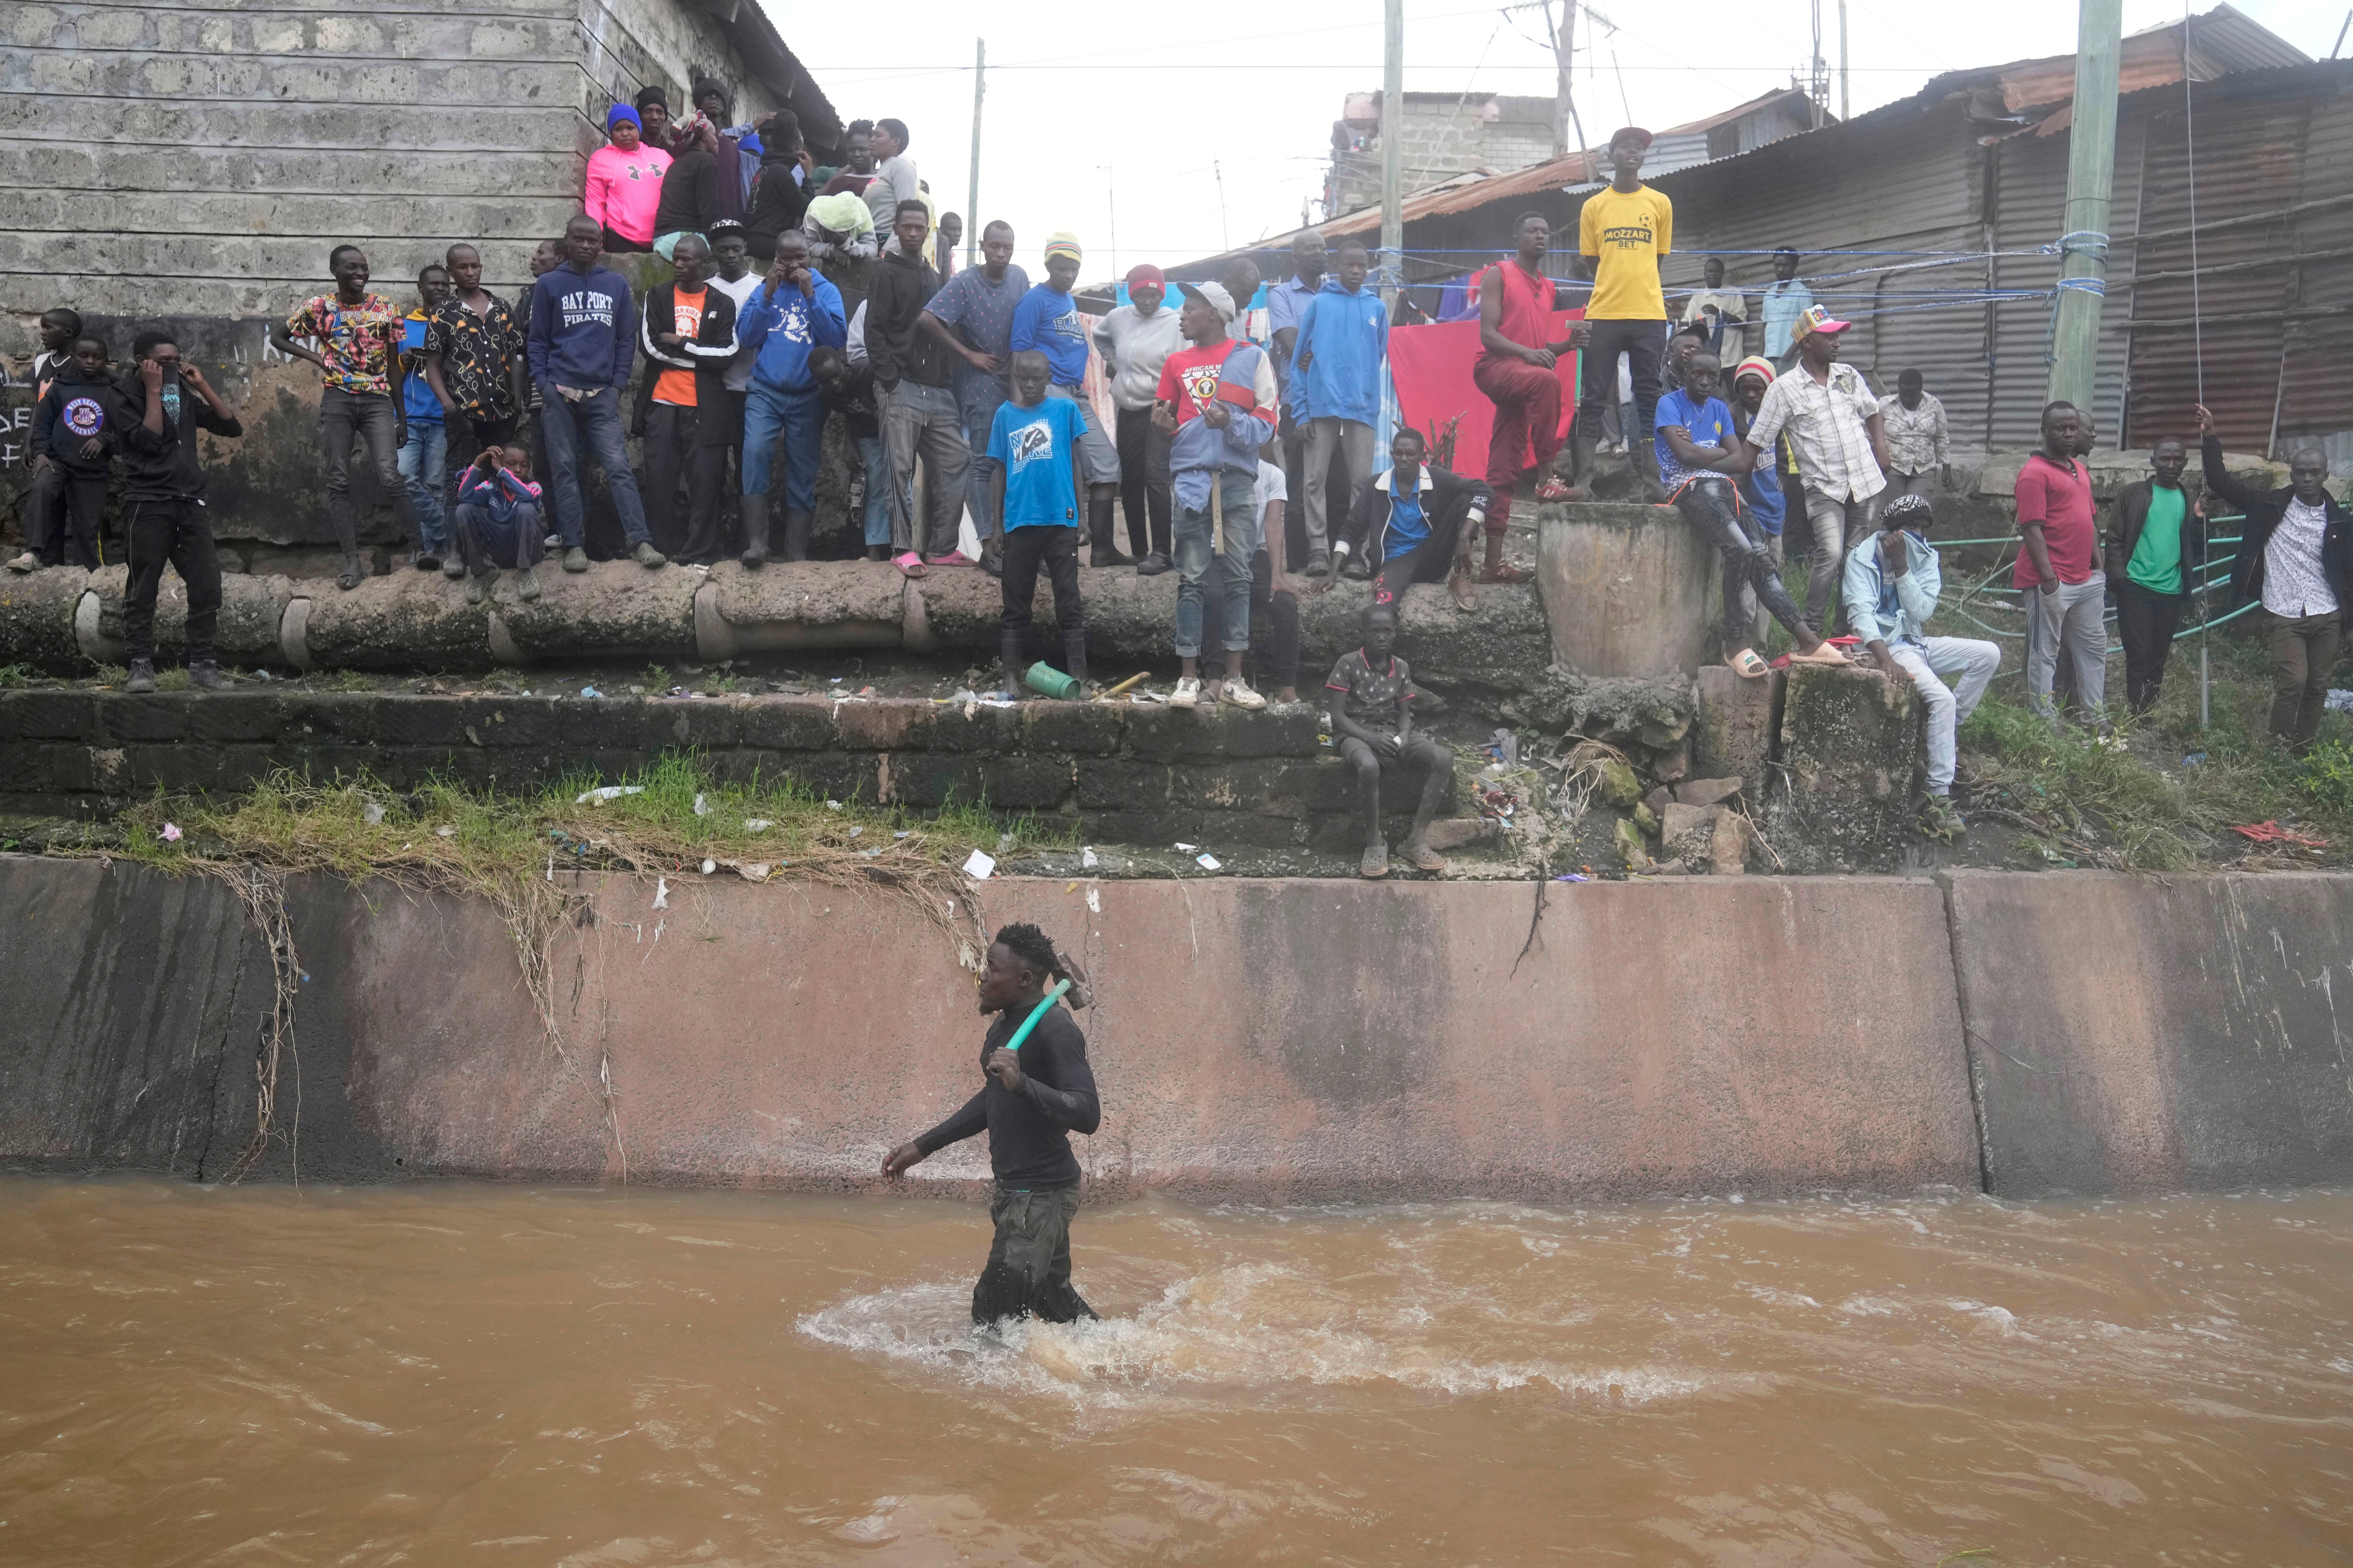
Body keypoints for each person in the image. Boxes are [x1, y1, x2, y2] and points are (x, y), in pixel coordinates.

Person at [881, 922, 1101, 1328]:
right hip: (1017, 1194)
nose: (982, 974)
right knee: (1055, 1304)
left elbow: (1088, 1114)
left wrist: (1025, 1085)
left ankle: (989, 1391)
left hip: (1041, 1196)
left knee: (994, 1311)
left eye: (993, 968)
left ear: (1025, 979)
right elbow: (993, 1099)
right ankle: (1120, 1362)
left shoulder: (1056, 1029)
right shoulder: (1005, 1025)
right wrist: (924, 1146)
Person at [1655, 347, 1844, 673]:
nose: (1703, 381)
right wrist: (1713, 452)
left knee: (1762, 560)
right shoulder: (1669, 404)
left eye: (1711, 377)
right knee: (1740, 552)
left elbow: (1743, 461)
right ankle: (1735, 644)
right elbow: (1685, 460)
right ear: (1684, 374)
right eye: (1696, 374)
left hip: (1728, 490)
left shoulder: (1718, 409)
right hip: (1690, 489)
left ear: (1718, 379)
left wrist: (1698, 449)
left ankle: (1808, 641)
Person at [1720, 306, 1890, 635]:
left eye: (1837, 335)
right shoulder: (1784, 389)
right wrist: (1720, 473)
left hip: (1865, 481)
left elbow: (1873, 411)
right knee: (1831, 552)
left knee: (1854, 560)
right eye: (1829, 336)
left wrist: (1881, 447)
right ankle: (1811, 629)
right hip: (1824, 488)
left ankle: (1843, 631)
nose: (1837, 341)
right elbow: (1754, 445)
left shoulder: (1848, 376)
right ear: (1807, 342)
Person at [1844, 493, 2001, 842]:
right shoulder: (1862, 557)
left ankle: (1943, 730)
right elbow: (1861, 615)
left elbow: (1922, 612)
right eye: (1909, 527)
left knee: (1988, 653)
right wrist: (1886, 661)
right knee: (1942, 699)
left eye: (1922, 528)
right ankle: (1938, 797)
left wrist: (1902, 567)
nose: (1917, 534)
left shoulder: (1925, 557)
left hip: (1915, 641)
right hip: (1887, 646)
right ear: (1891, 530)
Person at [1152, 281, 1279, 711]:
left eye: (1189, 308)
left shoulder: (1252, 358)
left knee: (1239, 578)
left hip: (1238, 480)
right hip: (1190, 481)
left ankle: (1233, 679)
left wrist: (1229, 424)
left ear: (1215, 315)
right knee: (1191, 578)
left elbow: (1268, 424)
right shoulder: (1175, 363)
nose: (1182, 315)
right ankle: (1187, 680)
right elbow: (1170, 422)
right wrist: (1165, 429)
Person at [2198, 404, 2350, 752]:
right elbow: (2221, 482)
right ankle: (2278, 749)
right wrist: (2210, 436)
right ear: (2291, 474)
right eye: (2300, 472)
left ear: (2326, 475)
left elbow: (2349, 575)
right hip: (2284, 612)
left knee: (2318, 685)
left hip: (2327, 614)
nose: (2307, 479)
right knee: (2294, 681)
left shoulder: (2340, 522)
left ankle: (2303, 749)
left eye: (2314, 473)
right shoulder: (2268, 505)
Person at [270, 245, 422, 591]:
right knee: (338, 478)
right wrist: (315, 358)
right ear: (334, 271)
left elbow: (396, 369)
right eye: (351, 268)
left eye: (364, 268)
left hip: (377, 400)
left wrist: (403, 418)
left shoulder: (387, 309)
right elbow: (278, 337)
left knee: (390, 473)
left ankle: (419, 547)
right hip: (338, 399)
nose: (360, 273)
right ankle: (352, 559)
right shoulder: (319, 308)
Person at [106, 332, 243, 694]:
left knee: (208, 586)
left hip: (190, 502)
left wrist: (201, 385)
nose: (173, 366)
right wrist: (153, 389)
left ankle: (202, 665)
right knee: (143, 588)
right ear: (142, 361)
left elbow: (230, 426)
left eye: (177, 359)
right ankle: (139, 666)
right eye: (164, 361)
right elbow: (149, 441)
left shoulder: (179, 391)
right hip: (149, 502)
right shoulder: (121, 395)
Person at [528, 213, 665, 571]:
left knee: (619, 466)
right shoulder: (549, 285)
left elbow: (626, 340)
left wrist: (617, 385)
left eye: (593, 240)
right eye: (580, 240)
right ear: (567, 242)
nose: (587, 246)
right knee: (564, 469)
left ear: (601, 243)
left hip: (602, 394)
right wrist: (545, 384)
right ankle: (574, 545)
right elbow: (537, 341)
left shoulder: (616, 285)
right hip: (559, 392)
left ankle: (640, 541)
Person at [922, 219, 1031, 575]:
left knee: (1014, 465)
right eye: (995, 246)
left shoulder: (1018, 277)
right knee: (982, 465)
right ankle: (988, 546)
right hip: (979, 383)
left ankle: (1015, 543)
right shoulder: (966, 282)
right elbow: (927, 319)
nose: (1001, 253)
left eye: (1008, 247)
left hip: (1013, 383)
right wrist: (968, 355)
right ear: (982, 246)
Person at [735, 229, 847, 565]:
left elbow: (835, 339)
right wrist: (768, 294)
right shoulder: (763, 289)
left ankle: (796, 553)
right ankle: (758, 545)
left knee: (804, 468)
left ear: (810, 258)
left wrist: (810, 296)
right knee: (754, 452)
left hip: (807, 395)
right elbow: (746, 337)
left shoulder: (826, 290)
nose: (794, 265)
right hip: (765, 391)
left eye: (801, 258)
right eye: (787, 259)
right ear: (777, 259)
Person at [1572, 127, 1672, 501]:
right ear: (1611, 155)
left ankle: (1651, 482)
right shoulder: (1594, 206)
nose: (1633, 152)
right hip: (1604, 312)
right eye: (1625, 147)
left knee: (1649, 395)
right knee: (1594, 395)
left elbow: (1657, 259)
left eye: (1639, 148)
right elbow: (1594, 261)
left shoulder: (1660, 203)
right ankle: (1583, 482)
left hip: (1648, 312)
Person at [868, 199, 969, 567]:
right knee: (899, 468)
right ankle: (902, 549)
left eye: (919, 227)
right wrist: (890, 381)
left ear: (928, 231)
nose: (913, 232)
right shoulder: (885, 273)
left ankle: (943, 547)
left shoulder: (933, 274)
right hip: (902, 386)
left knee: (957, 459)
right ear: (895, 228)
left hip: (938, 391)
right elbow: (874, 332)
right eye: (906, 226)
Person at [1011, 234, 1124, 565]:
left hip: (1076, 393)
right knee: (1050, 469)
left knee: (1107, 466)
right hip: (1048, 392)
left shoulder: (1068, 301)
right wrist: (1021, 409)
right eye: (1062, 269)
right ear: (1048, 266)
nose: (1069, 275)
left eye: (1074, 269)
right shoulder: (1035, 300)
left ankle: (1102, 549)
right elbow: (1018, 352)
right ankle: (1046, 554)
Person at [985, 350, 1093, 695]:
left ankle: (1081, 675)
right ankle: (1011, 677)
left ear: (1049, 378)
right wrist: (997, 526)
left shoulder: (1065, 410)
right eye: (1023, 377)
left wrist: (1082, 516)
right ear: (1015, 376)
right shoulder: (1004, 415)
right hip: (1019, 521)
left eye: (1037, 378)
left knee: (1069, 600)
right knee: (1015, 603)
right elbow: (999, 472)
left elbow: (1076, 465)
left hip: (1060, 520)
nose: (1030, 384)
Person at [632, 232, 740, 566]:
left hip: (704, 409)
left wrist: (681, 343)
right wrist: (700, 361)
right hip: (662, 404)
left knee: (706, 483)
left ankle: (699, 554)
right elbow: (649, 347)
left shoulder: (722, 303)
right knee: (660, 480)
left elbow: (728, 354)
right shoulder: (659, 295)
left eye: (686, 259)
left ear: (704, 263)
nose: (678, 264)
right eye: (675, 258)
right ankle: (661, 551)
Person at [1473, 213, 1579, 549]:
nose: (1540, 237)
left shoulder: (1548, 287)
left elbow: (1534, 346)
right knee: (1547, 382)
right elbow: (1489, 336)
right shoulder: (1499, 273)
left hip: (1521, 378)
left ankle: (1492, 560)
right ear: (1517, 237)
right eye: (1532, 231)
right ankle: (1547, 479)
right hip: (1494, 367)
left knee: (1504, 468)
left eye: (1546, 232)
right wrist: (1530, 356)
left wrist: (1566, 346)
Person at [1328, 603, 1453, 879]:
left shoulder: (1401, 668)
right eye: (1374, 631)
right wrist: (1370, 738)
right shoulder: (1348, 664)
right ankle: (1374, 842)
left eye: (1387, 631)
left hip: (1390, 730)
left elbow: (1405, 714)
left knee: (1443, 758)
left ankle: (1415, 840)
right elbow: (1337, 716)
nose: (1381, 637)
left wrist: (1405, 736)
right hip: (1355, 732)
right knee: (1369, 767)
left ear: (1395, 633)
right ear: (1364, 633)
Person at [1289, 238, 1387, 583]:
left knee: (1362, 482)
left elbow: (1376, 357)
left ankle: (1355, 552)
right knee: (1314, 479)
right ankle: (1318, 548)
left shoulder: (1377, 308)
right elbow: (1299, 362)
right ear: (1338, 265)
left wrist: (1367, 398)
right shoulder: (1320, 304)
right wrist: (1300, 412)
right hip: (1321, 407)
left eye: (1362, 265)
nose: (1357, 271)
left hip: (1361, 407)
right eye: (1350, 265)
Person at [2005, 399, 2103, 726]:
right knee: (2043, 652)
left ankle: (2095, 716)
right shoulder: (2033, 474)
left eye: (2072, 428)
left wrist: (2098, 566)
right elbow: (2031, 529)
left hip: (2084, 580)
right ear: (2044, 431)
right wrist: (2049, 579)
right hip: (2049, 581)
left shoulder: (2080, 470)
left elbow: (2089, 518)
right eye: (2059, 428)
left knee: (2092, 650)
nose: (2066, 434)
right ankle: (2043, 719)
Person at [1323, 425, 1490, 613]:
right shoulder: (1377, 485)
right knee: (1382, 610)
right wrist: (1333, 572)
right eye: (1399, 453)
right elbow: (1351, 528)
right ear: (1392, 454)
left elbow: (1483, 490)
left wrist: (1463, 537)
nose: (1403, 459)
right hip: (1395, 564)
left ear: (1423, 456)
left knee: (1466, 498)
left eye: (1410, 454)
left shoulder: (1436, 478)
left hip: (1432, 558)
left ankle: (1461, 575)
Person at [2101, 436, 2207, 715]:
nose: (2171, 465)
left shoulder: (2187, 498)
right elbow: (2114, 539)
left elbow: (2194, 546)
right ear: (2152, 462)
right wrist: (2120, 578)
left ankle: (2150, 707)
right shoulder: (2132, 494)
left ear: (2185, 463)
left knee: (2158, 654)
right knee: (2138, 651)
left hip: (2170, 590)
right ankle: (2139, 713)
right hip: (2135, 585)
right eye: (2164, 459)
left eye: (2177, 460)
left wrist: (2198, 520)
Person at [1092, 264, 1184, 572]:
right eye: (1141, 295)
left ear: (1162, 294)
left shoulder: (1173, 322)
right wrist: (1114, 362)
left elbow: (1184, 363)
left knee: (1156, 476)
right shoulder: (1118, 318)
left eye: (1154, 295)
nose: (1148, 301)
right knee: (1130, 480)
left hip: (1160, 408)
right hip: (1128, 409)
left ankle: (1162, 552)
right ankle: (1139, 551)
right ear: (1132, 294)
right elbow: (1100, 337)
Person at [1199, 443, 1302, 704]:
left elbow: (1273, 524)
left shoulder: (1272, 475)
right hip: (1215, 550)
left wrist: (1277, 574)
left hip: (1253, 553)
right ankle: (1215, 677)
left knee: (1285, 604)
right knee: (1213, 595)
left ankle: (1287, 686)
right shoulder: (1214, 469)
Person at [431, 243, 531, 496]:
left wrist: (517, 402)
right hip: (463, 413)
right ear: (450, 271)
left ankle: (498, 533)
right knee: (460, 478)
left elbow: (514, 355)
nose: (470, 272)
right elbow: (432, 365)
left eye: (475, 266)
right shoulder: (442, 313)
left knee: (502, 479)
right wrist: (449, 406)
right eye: (463, 267)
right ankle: (458, 535)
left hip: (502, 413)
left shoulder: (501, 308)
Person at [12, 334, 115, 572]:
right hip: (57, 462)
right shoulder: (60, 386)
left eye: (97, 358)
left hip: (93, 470)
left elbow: (126, 432)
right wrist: (41, 453)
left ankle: (90, 575)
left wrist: (104, 439)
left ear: (105, 361)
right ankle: (34, 554)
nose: (90, 361)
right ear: (73, 357)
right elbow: (42, 424)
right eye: (84, 356)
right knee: (42, 491)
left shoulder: (113, 392)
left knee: (88, 528)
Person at [1268, 230, 1331, 573]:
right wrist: (1332, 351)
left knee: (1335, 483)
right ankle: (1294, 565)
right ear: (1295, 257)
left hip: (1337, 404)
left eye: (1322, 247)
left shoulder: (1337, 293)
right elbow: (1293, 347)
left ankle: (1329, 556)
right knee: (1300, 483)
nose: (1319, 253)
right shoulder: (1281, 296)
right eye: (1311, 248)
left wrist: (1318, 351)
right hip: (1299, 402)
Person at [396, 262, 459, 573]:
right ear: (420, 288)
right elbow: (387, 371)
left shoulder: (456, 323)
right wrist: (404, 360)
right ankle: (442, 536)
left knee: (436, 485)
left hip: (442, 418)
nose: (440, 289)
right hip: (408, 416)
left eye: (445, 284)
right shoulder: (404, 325)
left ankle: (429, 551)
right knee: (405, 478)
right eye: (433, 284)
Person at [704, 219, 762, 541]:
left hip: (751, 390)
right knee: (711, 469)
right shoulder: (705, 288)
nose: (730, 255)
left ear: (746, 250)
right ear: (713, 253)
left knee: (747, 467)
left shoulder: (761, 286)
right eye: (723, 249)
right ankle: (713, 540)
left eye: (736, 249)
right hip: (714, 390)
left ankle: (747, 540)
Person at [1727, 356, 1790, 642]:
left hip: (1773, 510)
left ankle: (1761, 644)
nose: (1751, 395)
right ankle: (1739, 643)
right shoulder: (1730, 419)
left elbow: (1781, 459)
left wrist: (1781, 486)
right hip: (1745, 509)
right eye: (1745, 389)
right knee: (1747, 584)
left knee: (1770, 581)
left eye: (1758, 389)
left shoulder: (1775, 418)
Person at [812, 346, 890, 559]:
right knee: (872, 489)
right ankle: (874, 550)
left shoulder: (868, 373)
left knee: (900, 484)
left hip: (895, 431)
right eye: (826, 381)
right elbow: (851, 410)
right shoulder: (827, 393)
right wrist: (850, 443)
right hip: (868, 435)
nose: (835, 384)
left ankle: (904, 547)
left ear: (843, 363)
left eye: (836, 376)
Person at [451, 444, 545, 604]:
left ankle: (524, 572)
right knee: (464, 510)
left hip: (530, 552)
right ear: (501, 463)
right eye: (511, 464)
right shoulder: (490, 487)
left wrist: (503, 472)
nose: (517, 470)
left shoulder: (533, 487)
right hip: (498, 551)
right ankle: (482, 573)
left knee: (526, 509)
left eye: (524, 466)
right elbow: (464, 497)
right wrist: (478, 463)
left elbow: (529, 497)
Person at [583, 105, 670, 254]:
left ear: (639, 129)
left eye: (630, 128)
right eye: (618, 129)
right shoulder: (601, 159)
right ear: (611, 133)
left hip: (664, 237)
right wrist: (594, 240)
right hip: (621, 238)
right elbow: (595, 203)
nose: (625, 133)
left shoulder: (662, 156)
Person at [649, 116, 723, 257]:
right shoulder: (707, 161)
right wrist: (716, 244)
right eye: (714, 135)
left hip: (661, 240)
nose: (717, 140)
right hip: (685, 240)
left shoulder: (675, 165)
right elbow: (709, 210)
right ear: (702, 136)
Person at [743, 121, 815, 261]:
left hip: (752, 240)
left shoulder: (763, 169)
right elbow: (805, 208)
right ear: (796, 150)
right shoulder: (781, 172)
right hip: (770, 243)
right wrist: (808, 176)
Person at [1882, 370, 1950, 502]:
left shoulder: (1934, 406)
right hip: (1893, 468)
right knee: (1894, 515)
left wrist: (1946, 467)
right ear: (1898, 388)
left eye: (1913, 395)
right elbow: (1869, 432)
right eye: (1904, 394)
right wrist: (1879, 453)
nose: (1908, 399)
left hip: (1924, 469)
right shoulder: (1885, 405)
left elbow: (1941, 437)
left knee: (1915, 513)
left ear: (1921, 389)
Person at [863, 118, 922, 248]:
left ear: (896, 141)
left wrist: (888, 250)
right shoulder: (882, 170)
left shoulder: (901, 166)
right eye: (873, 135)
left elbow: (908, 214)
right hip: (871, 241)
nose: (872, 139)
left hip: (885, 242)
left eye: (878, 136)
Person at [1682, 256, 1746, 359]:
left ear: (1723, 274)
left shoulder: (1734, 293)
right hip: (1706, 359)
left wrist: (1719, 313)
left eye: (1717, 272)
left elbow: (1743, 323)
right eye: (1710, 272)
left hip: (1732, 358)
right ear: (1705, 275)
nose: (1713, 274)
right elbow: (1686, 325)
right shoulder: (1697, 298)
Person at [1758, 247, 1813, 368]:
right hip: (1768, 358)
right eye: (1777, 266)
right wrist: (1760, 358)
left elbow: (1806, 328)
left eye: (1785, 265)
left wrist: (1787, 357)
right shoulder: (1769, 294)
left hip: (1791, 359)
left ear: (1795, 265)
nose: (1781, 270)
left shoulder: (1803, 293)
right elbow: (1765, 327)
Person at [822, 120, 877, 196]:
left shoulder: (884, 181)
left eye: (862, 150)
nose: (857, 154)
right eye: (852, 150)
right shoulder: (839, 183)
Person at [935, 212, 963, 277]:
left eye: (960, 230)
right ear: (941, 230)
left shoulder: (950, 256)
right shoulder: (936, 256)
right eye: (953, 229)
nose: (958, 234)